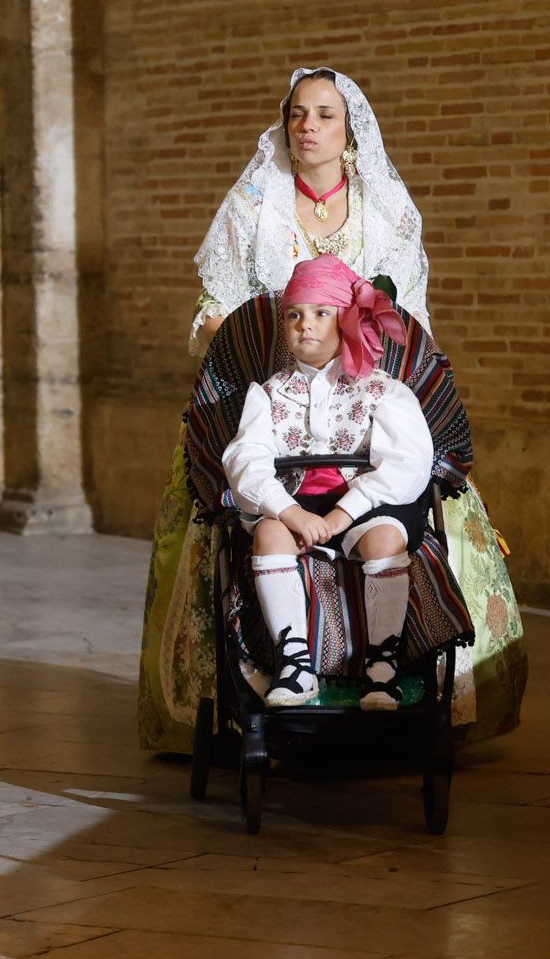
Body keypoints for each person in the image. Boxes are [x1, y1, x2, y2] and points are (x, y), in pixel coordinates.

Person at [139, 67, 523, 750]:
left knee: (418, 494)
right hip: (274, 397)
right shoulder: (255, 203)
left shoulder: (386, 210)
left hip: (363, 402)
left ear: (350, 133)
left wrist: (374, 364)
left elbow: (410, 320)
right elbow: (211, 308)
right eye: (296, 114)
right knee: (234, 505)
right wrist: (250, 343)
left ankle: (400, 675)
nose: (308, 126)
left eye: (324, 115)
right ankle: (251, 689)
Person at [222, 255, 427, 711]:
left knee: (385, 539)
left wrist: (342, 514)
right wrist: (288, 510)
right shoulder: (269, 393)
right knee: (270, 533)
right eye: (293, 315)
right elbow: (245, 461)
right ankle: (295, 664)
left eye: (320, 314)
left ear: (347, 320)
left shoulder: (382, 390)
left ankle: (383, 666)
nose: (304, 325)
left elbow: (407, 465)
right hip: (296, 502)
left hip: (367, 506)